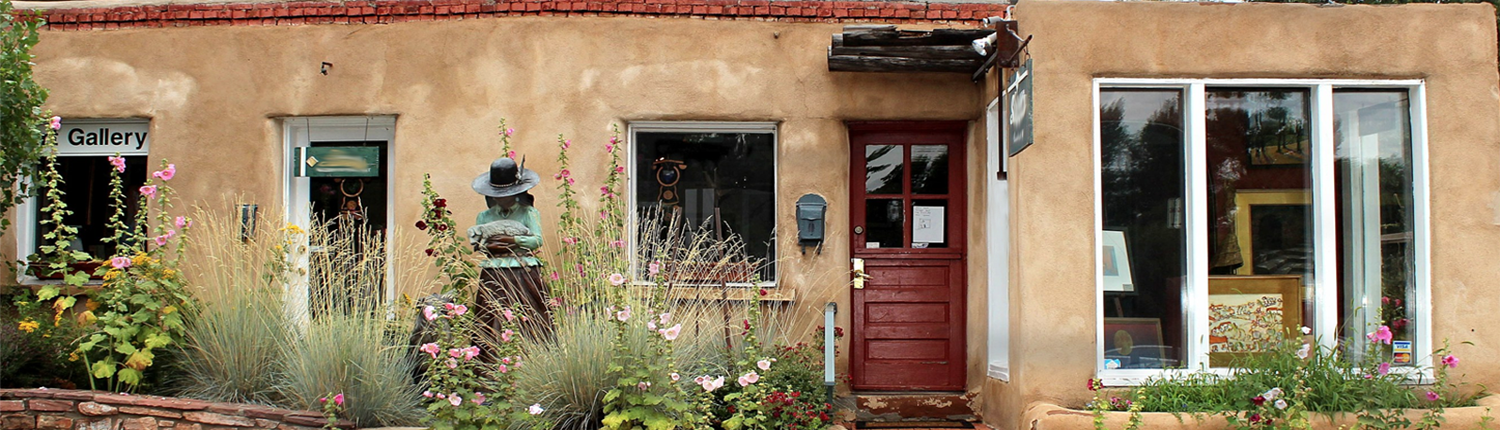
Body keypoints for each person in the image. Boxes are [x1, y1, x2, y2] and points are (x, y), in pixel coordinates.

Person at [471, 157, 552, 340]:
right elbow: (481, 245)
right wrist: (491, 245)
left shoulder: (529, 213)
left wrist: (511, 239)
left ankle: (531, 356)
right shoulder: (484, 217)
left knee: (529, 315)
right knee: (490, 316)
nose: (501, 199)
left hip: (523, 272)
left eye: (506, 194)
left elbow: (537, 240)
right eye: (497, 195)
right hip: (494, 274)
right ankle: (489, 358)